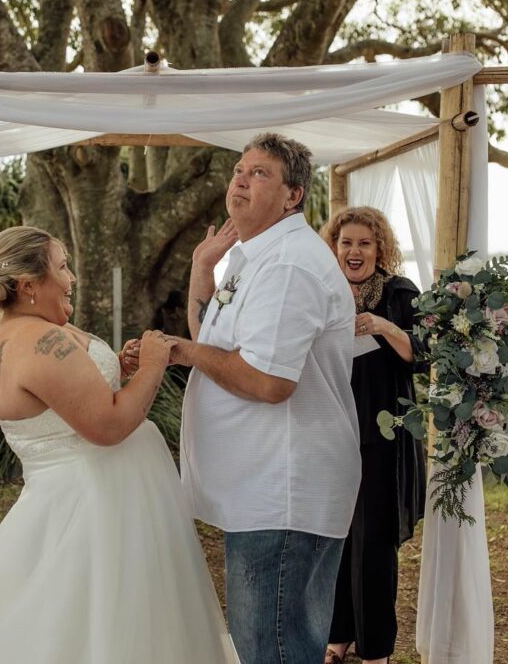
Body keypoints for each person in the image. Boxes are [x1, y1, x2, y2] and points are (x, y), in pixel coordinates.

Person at [0, 226, 239, 663]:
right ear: (27, 285)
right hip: (93, 511)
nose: (71, 277)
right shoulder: (41, 340)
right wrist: (154, 364)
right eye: (61, 267)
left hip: (88, 499)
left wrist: (116, 365)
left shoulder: (18, 329)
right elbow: (110, 425)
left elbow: (59, 398)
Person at [172, 133, 361, 664]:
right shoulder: (253, 257)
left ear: (293, 195)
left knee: (273, 649)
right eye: (239, 170)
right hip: (262, 485)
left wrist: (181, 352)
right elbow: (214, 338)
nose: (240, 179)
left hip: (283, 488)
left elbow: (268, 382)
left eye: (260, 173)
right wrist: (201, 272)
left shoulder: (288, 266)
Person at [320, 207, 427, 664]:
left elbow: (421, 354)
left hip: (383, 434)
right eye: (346, 242)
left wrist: (384, 326)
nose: (354, 250)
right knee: (337, 536)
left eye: (364, 243)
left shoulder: (401, 293)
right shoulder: (325, 291)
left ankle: (377, 648)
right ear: (335, 246)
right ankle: (339, 634)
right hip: (331, 430)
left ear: (380, 248)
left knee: (374, 543)